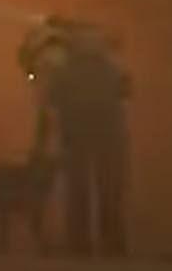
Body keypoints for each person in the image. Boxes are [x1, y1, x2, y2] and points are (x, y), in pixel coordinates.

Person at [19, 15, 131, 256]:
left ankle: (80, 245)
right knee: (107, 190)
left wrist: (40, 144)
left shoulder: (65, 71)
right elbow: (125, 95)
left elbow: (50, 107)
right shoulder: (109, 69)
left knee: (79, 191)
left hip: (78, 137)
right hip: (106, 137)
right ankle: (112, 245)